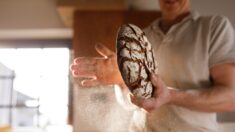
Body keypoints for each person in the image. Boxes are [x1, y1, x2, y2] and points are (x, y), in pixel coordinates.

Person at [70, 0, 235, 131]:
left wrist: (171, 96)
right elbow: (132, 104)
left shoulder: (213, 27)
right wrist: (121, 80)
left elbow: (230, 98)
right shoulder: (140, 37)